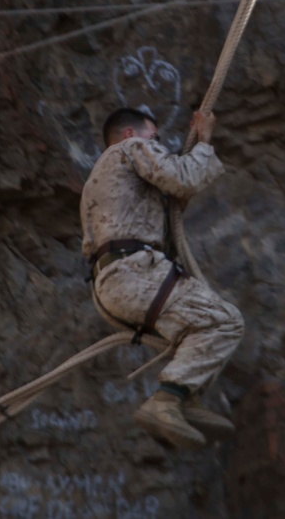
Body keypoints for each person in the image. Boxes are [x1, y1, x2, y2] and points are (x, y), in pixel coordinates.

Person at [80, 107, 244, 449]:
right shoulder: (130, 149)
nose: (157, 144)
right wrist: (205, 140)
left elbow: (170, 199)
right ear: (131, 134)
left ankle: (184, 401)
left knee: (199, 327)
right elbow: (183, 177)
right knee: (225, 322)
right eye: (155, 138)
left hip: (116, 282)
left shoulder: (101, 178)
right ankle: (167, 401)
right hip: (134, 273)